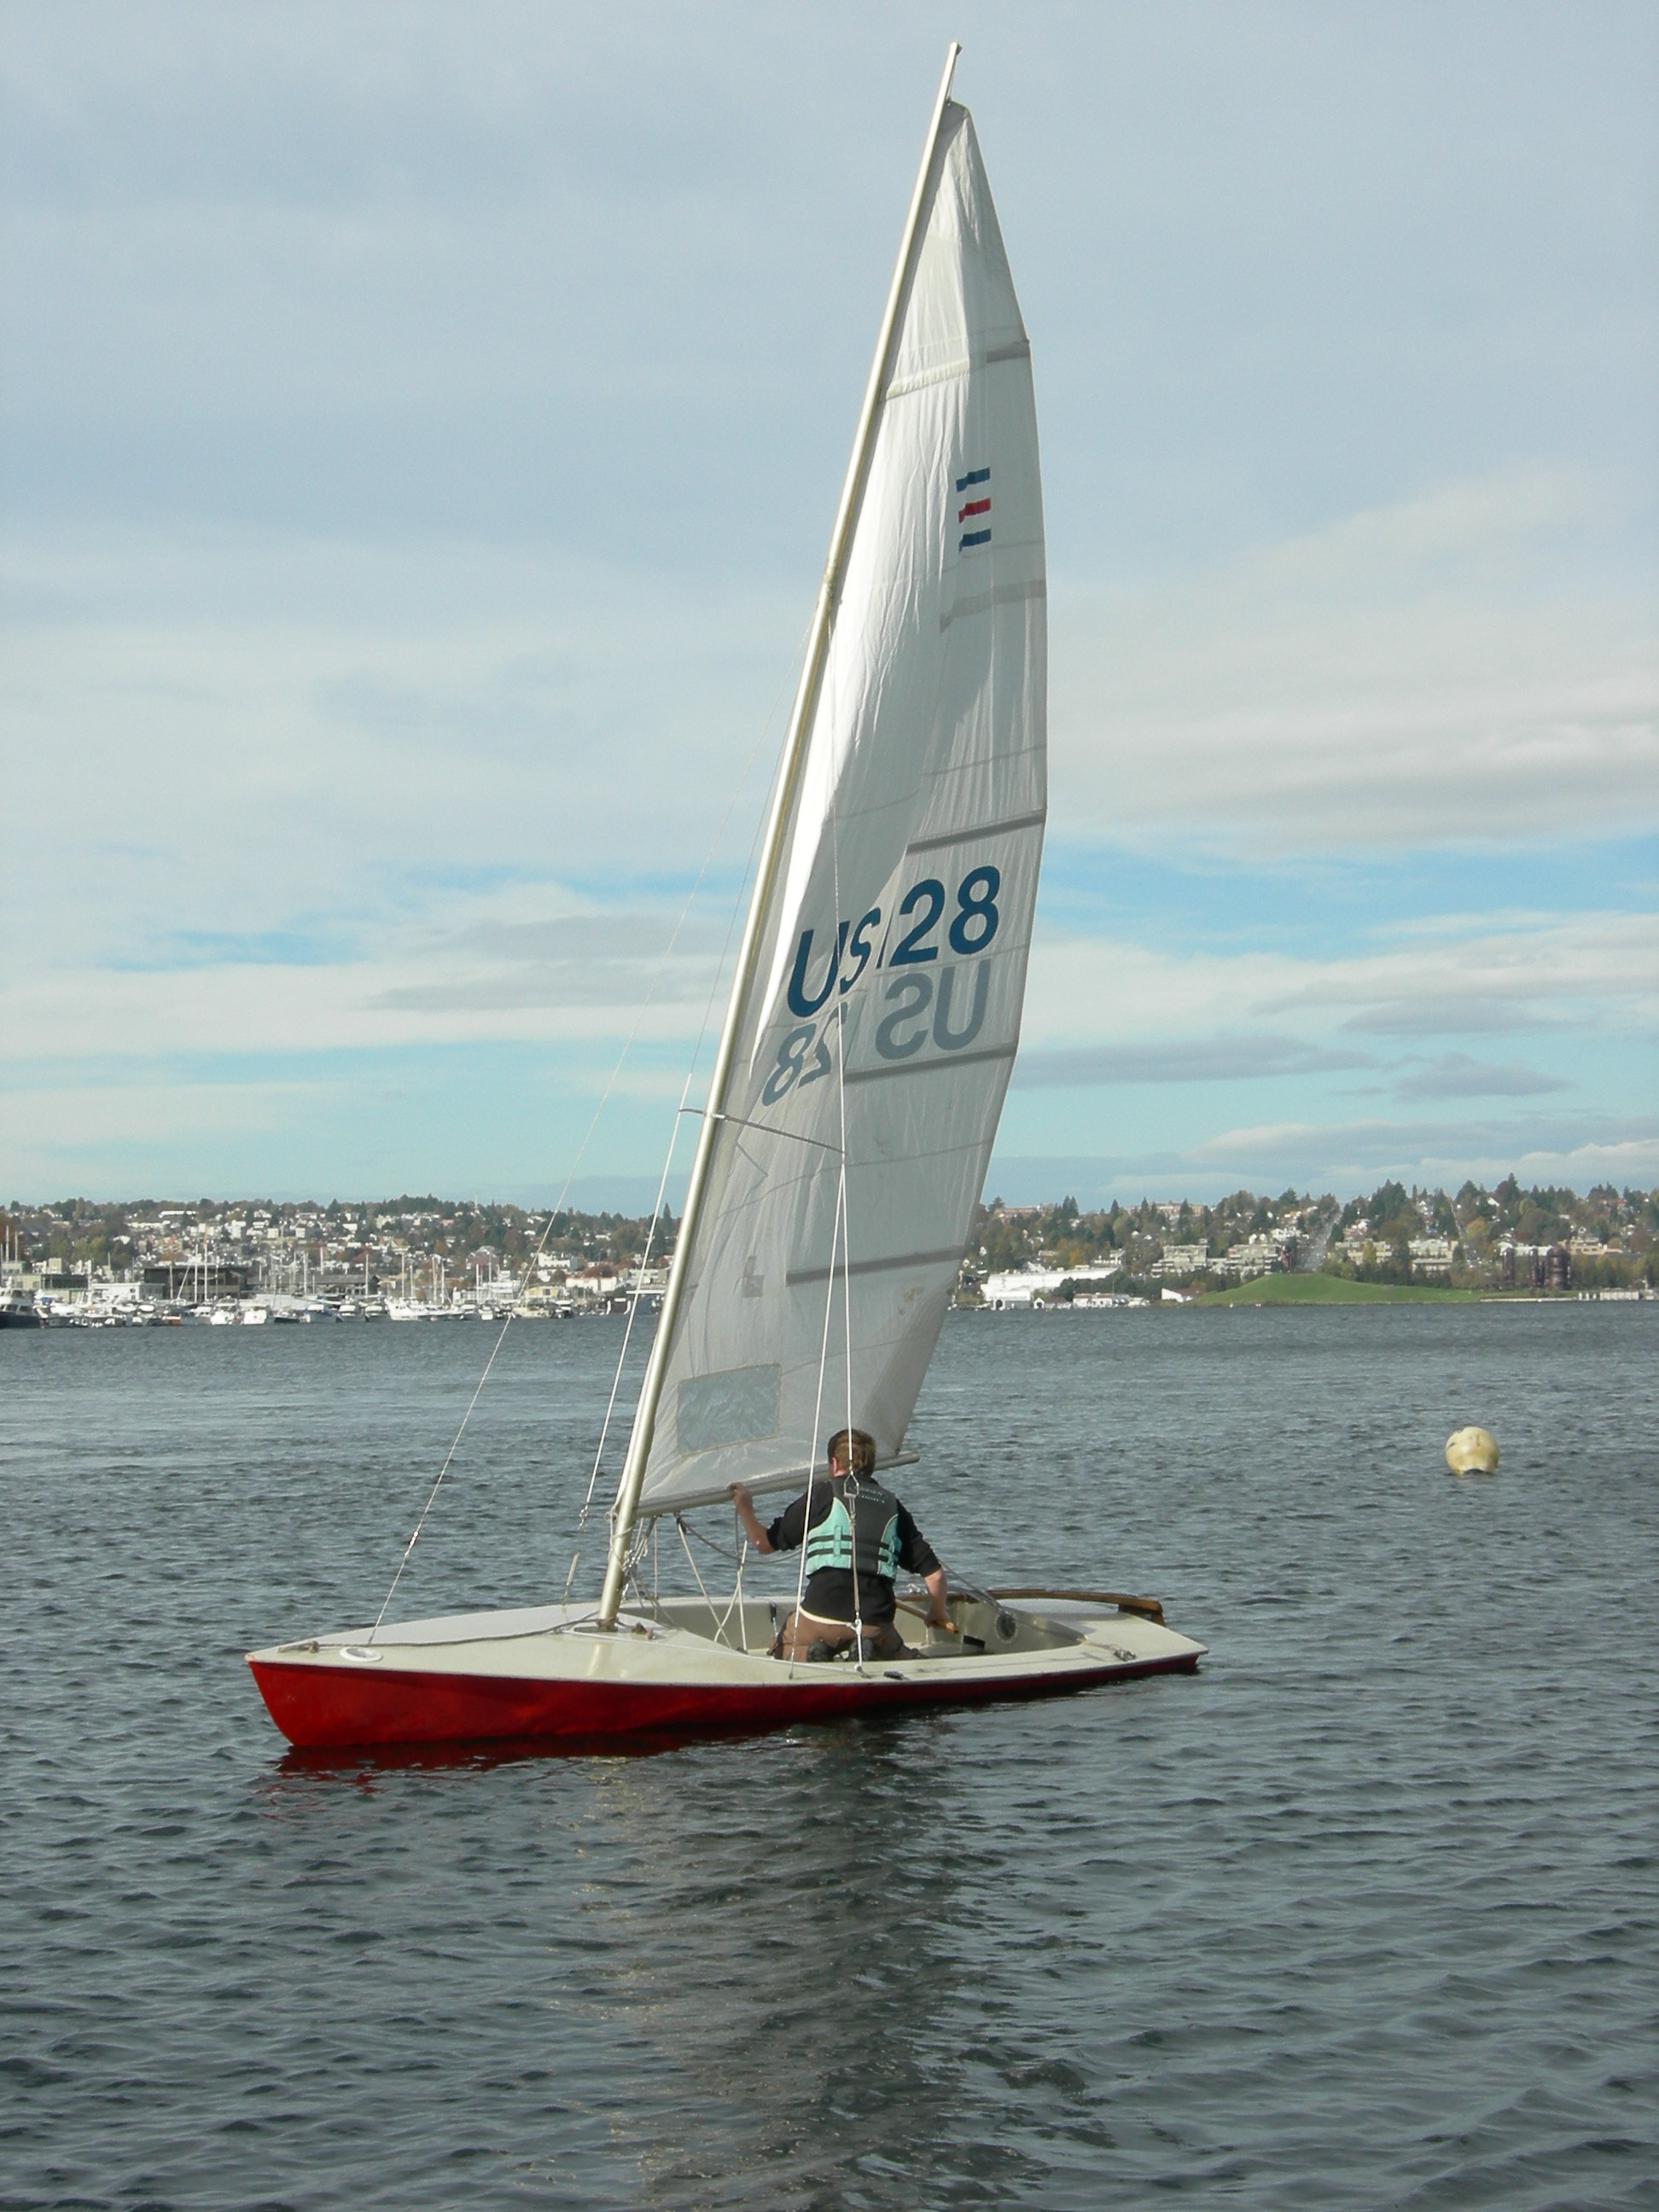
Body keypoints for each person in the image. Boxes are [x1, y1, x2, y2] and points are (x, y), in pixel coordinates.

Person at [730, 1426, 957, 1662]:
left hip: (821, 1617)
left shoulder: (821, 1495)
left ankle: (812, 1652)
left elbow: (763, 1543)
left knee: (781, 1648)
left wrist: (745, 1508)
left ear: (834, 1464)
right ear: (871, 1465)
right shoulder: (893, 1507)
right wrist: (936, 1611)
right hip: (874, 1623)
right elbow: (936, 1577)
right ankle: (868, 1647)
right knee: (898, 1653)